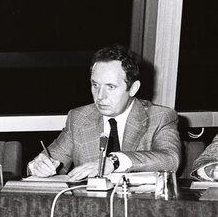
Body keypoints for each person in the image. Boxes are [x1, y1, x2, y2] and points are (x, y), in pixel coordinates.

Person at [27, 45, 181, 181]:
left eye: (111, 87)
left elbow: (170, 159)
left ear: (133, 88)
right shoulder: (79, 118)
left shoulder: (160, 117)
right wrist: (38, 167)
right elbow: (52, 161)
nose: (100, 96)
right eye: (95, 85)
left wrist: (114, 162)